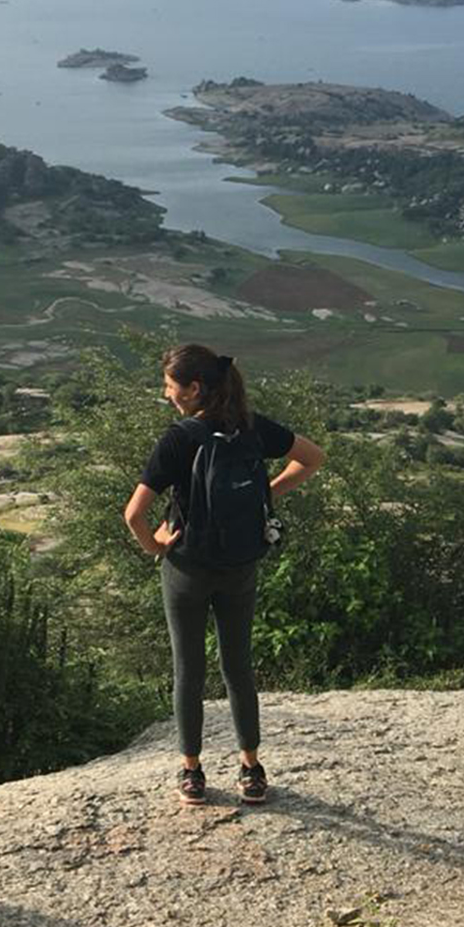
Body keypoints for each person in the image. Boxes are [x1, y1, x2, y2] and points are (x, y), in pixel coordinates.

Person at [123, 344, 324, 806]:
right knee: (238, 667)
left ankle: (192, 772)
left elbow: (134, 514)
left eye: (170, 387)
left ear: (195, 389)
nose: (167, 395)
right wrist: (266, 496)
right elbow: (313, 457)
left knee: (188, 670)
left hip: (187, 567)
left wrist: (156, 545)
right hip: (240, 566)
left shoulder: (179, 438)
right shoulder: (251, 428)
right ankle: (251, 768)